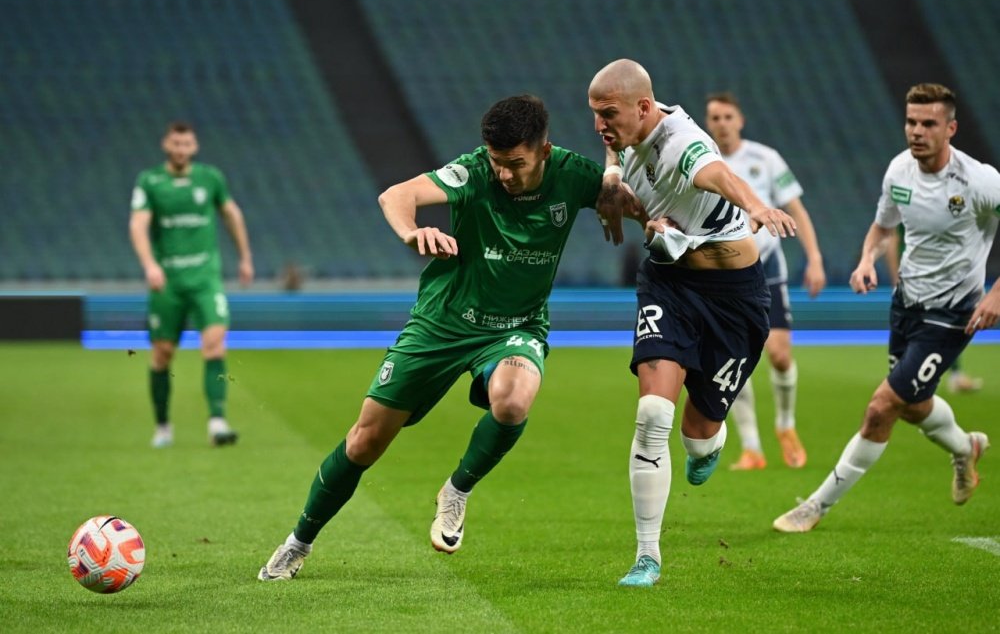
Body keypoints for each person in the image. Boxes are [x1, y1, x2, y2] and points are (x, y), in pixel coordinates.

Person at [258, 95, 633, 581]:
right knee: (365, 442)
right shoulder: (473, 171)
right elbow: (395, 196)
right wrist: (411, 232)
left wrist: (660, 222)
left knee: (513, 401)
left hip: (516, 326)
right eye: (497, 161)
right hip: (443, 322)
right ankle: (298, 542)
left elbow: (641, 206)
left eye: (515, 163)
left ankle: (456, 491)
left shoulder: (574, 174)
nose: (504, 174)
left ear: (544, 151)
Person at [587, 59, 797, 587]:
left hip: (734, 300)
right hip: (668, 283)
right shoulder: (628, 130)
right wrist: (613, 181)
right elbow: (616, 152)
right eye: (595, 114)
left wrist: (756, 205)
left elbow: (717, 174)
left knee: (698, 436)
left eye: (607, 114)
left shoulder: (682, 142)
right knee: (652, 413)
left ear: (643, 107)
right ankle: (647, 557)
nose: (599, 125)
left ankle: (711, 440)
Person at [773, 83, 997, 534]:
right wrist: (865, 261)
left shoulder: (979, 181)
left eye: (928, 124)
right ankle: (965, 448)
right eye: (911, 122)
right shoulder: (899, 171)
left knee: (882, 407)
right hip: (906, 305)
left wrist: (996, 293)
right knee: (913, 406)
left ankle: (815, 506)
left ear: (951, 129)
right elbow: (883, 229)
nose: (917, 131)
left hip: (952, 314)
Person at [704, 92, 827, 471]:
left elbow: (796, 209)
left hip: (768, 266)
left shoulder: (765, 158)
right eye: (715, 117)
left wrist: (814, 258)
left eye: (728, 116)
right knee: (734, 360)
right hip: (725, 272)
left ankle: (785, 425)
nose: (722, 123)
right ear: (708, 123)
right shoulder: (702, 159)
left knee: (780, 354)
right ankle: (752, 448)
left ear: (740, 120)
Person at [129, 121, 254, 448]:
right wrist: (150, 265)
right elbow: (138, 224)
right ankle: (163, 426)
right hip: (168, 281)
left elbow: (231, 214)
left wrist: (245, 257)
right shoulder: (150, 181)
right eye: (176, 143)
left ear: (194, 147)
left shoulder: (210, 178)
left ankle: (217, 422)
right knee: (162, 354)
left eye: (186, 144)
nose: (181, 149)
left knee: (215, 344)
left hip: (205, 279)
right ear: (166, 145)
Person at [886, 227, 984, 394]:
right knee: (932, 326)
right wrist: (896, 278)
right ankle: (902, 379)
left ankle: (952, 375)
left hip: (931, 276)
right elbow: (891, 239)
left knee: (941, 326)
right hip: (916, 278)